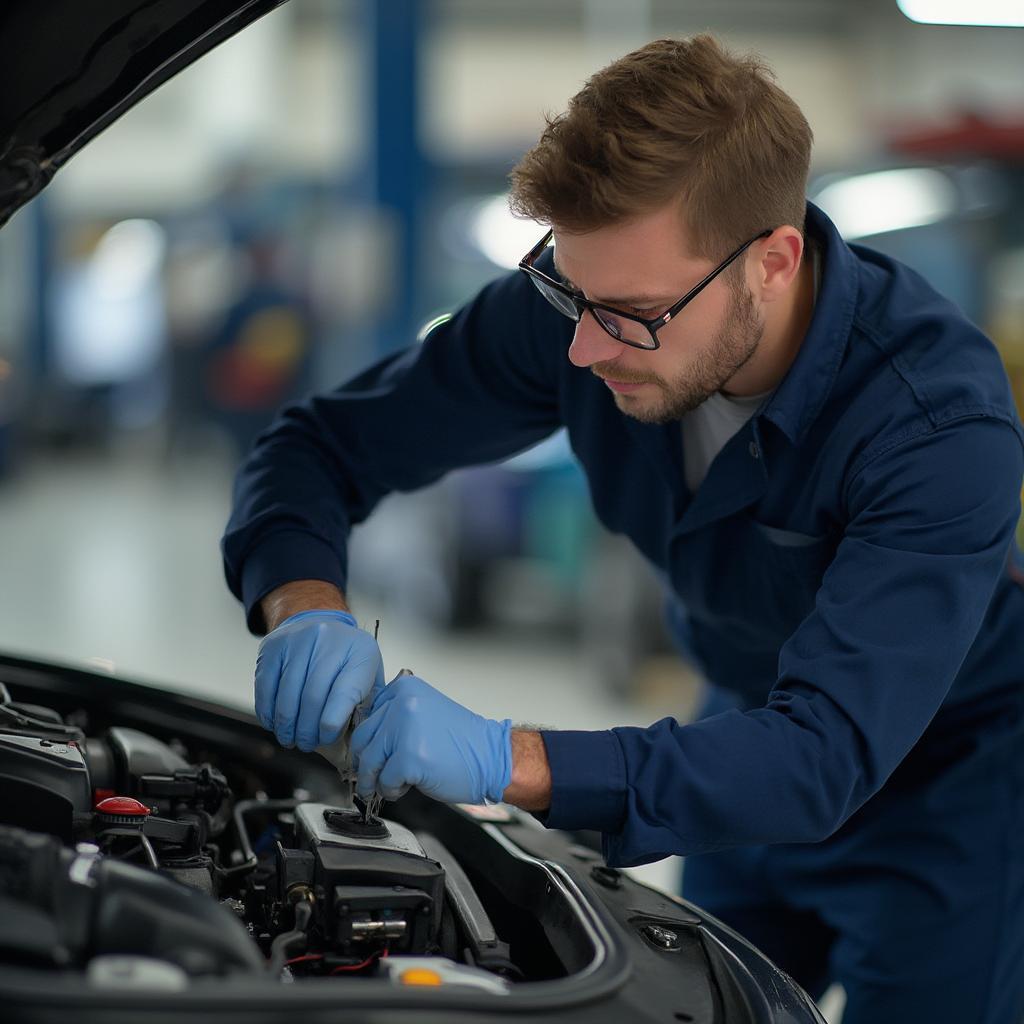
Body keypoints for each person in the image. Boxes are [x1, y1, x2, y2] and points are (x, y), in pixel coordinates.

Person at [222, 35, 1024, 1022]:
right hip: (740, 731)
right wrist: (304, 605)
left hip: (948, 781)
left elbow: (824, 754)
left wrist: (506, 756)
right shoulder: (584, 310)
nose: (584, 347)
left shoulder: (936, 424)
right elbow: (320, 444)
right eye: (570, 292)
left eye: (633, 314)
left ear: (771, 262)